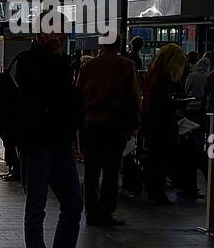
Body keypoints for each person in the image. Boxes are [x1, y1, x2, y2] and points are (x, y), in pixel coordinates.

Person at [13, 24, 92, 248]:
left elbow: (70, 101)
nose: (58, 37)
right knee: (36, 206)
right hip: (37, 143)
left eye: (61, 33)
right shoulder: (29, 62)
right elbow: (45, 91)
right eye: (53, 32)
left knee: (73, 203)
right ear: (40, 35)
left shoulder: (62, 63)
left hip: (60, 142)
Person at [76, 40, 140, 227]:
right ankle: (106, 212)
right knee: (111, 170)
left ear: (101, 45)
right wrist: (134, 124)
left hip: (91, 123)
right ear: (119, 45)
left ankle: (91, 212)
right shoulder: (127, 65)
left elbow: (79, 93)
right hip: (115, 123)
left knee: (91, 171)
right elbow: (134, 97)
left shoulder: (89, 65)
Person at [141, 43, 189, 204]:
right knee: (161, 159)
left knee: (155, 158)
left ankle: (153, 190)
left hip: (151, 123)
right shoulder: (164, 78)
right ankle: (157, 192)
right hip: (162, 125)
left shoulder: (153, 73)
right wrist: (179, 103)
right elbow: (163, 104)